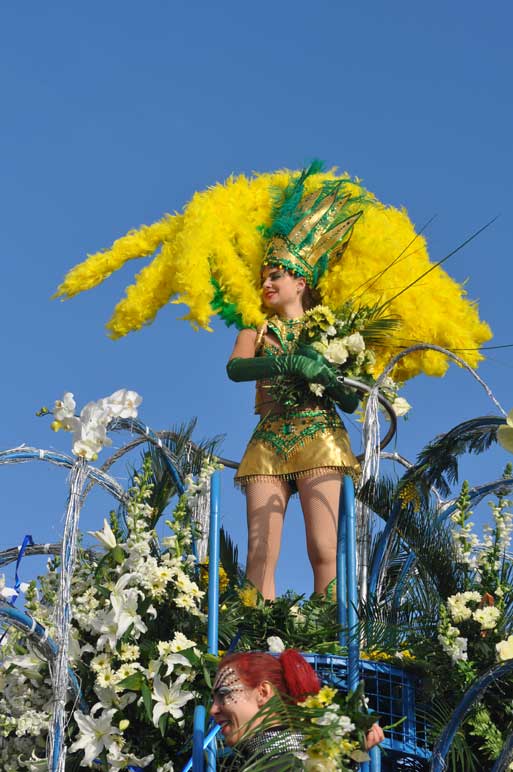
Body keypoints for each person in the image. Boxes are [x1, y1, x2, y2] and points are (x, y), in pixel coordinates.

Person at [227, 183, 362, 600]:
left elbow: (352, 400)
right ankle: (256, 627)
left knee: (324, 549)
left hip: (320, 437)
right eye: (263, 279)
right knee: (260, 551)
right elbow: (236, 369)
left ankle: (330, 627)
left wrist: (328, 375)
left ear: (300, 282)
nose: (266, 284)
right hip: (268, 440)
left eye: (275, 275)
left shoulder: (331, 331)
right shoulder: (255, 330)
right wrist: (287, 363)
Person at [210, 649, 384, 770]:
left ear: (263, 693)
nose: (213, 710)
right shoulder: (299, 760)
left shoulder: (286, 763)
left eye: (223, 695)